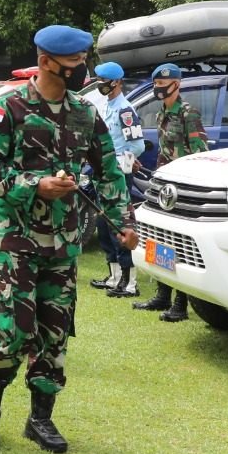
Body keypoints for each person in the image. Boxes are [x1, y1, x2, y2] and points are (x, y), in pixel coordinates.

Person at [0, 25, 136, 454]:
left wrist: (123, 220)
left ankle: (40, 418)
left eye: (84, 61)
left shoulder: (85, 113)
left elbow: (110, 172)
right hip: (16, 238)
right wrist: (34, 185)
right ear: (46, 63)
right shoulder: (8, 108)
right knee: (13, 327)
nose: (84, 70)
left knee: (55, 331)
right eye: (76, 63)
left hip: (63, 241)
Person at [132, 63, 207, 322]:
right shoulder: (161, 112)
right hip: (164, 186)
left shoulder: (188, 113)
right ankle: (162, 294)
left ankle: (180, 304)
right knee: (158, 239)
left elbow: (199, 152)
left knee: (180, 244)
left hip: (184, 188)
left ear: (177, 84)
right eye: (156, 87)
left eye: (163, 86)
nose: (159, 91)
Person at [87, 61, 146, 298]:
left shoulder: (124, 110)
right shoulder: (105, 104)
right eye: (99, 82)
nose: (100, 86)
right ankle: (114, 276)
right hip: (102, 173)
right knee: (103, 225)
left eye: (105, 83)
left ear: (117, 82)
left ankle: (130, 282)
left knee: (119, 226)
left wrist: (118, 162)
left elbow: (137, 145)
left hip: (118, 175)